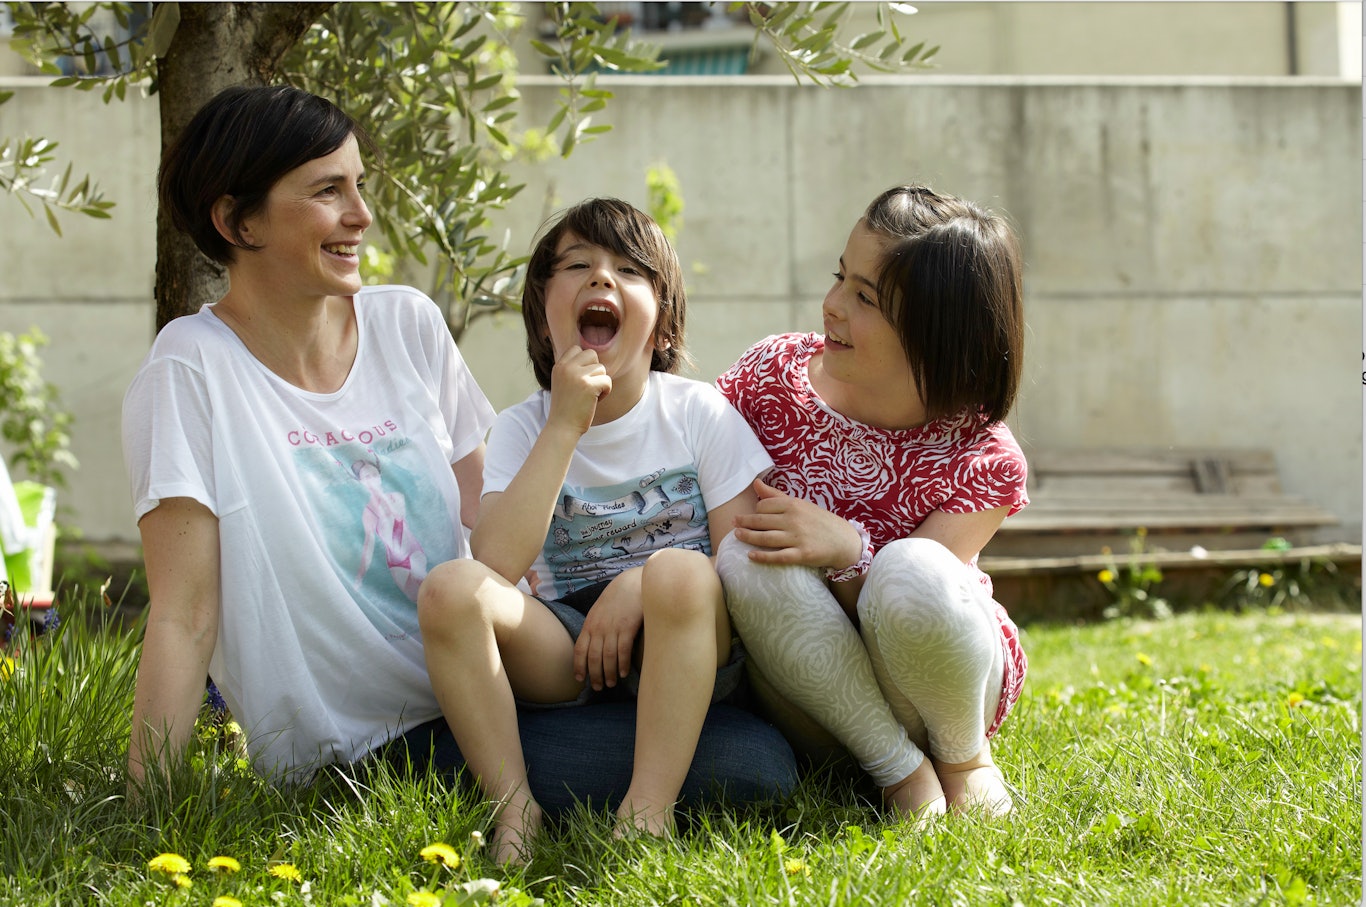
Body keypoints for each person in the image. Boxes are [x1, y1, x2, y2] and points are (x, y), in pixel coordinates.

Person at [123, 87, 796, 816]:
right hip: (375, 741)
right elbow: (183, 615)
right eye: (328, 191)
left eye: (359, 186)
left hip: (495, 680)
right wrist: (143, 806)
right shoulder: (191, 369)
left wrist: (627, 603)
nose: (361, 215)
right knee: (750, 767)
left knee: (755, 759)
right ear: (236, 219)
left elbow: (491, 545)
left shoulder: (406, 325)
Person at [417, 198, 775, 862]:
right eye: (578, 265)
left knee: (680, 570)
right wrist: (563, 427)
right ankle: (515, 808)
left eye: (626, 270)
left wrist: (640, 583)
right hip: (570, 643)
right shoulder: (526, 427)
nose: (600, 279)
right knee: (449, 588)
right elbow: (493, 565)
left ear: (663, 327)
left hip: (683, 632)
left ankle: (647, 809)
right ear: (543, 321)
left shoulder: (698, 412)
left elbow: (743, 564)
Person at [715, 184, 1029, 821]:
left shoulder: (982, 454)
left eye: (865, 297)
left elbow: (907, 615)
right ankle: (900, 774)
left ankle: (964, 762)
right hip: (811, 693)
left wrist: (848, 548)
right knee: (747, 556)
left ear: (937, 331)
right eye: (840, 277)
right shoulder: (770, 379)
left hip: (931, 690)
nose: (831, 305)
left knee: (910, 566)